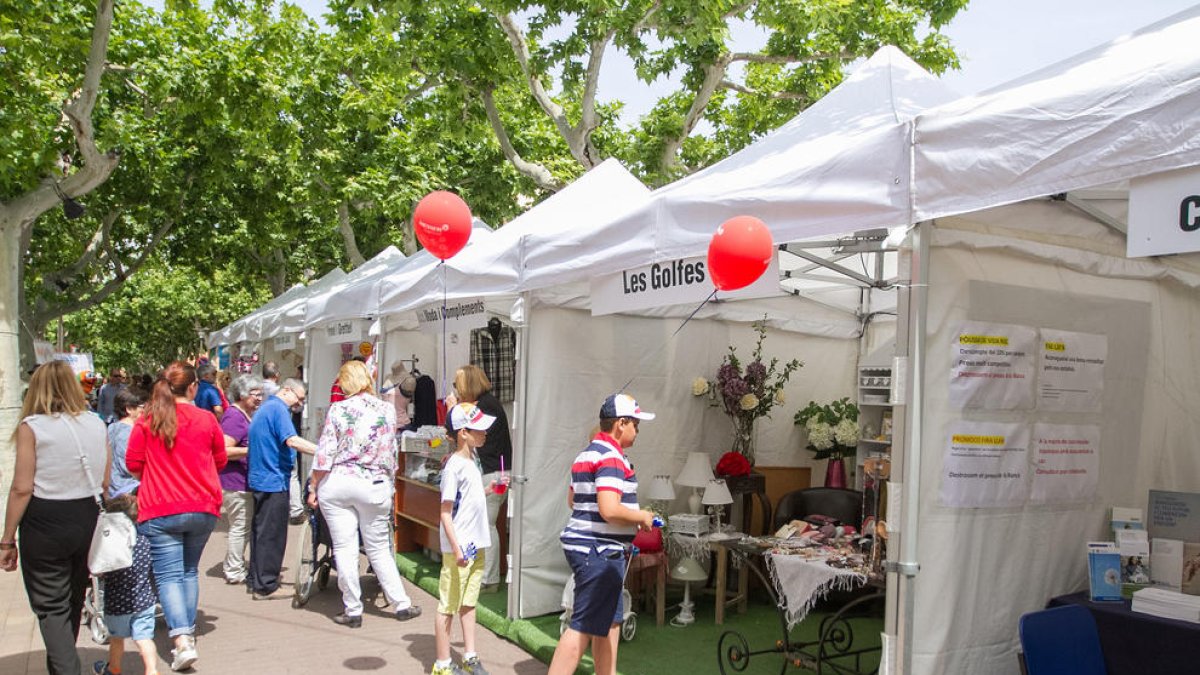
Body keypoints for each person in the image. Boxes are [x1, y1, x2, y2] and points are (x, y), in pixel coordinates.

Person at [0, 360, 109, 675]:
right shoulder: (95, 422)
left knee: (50, 606)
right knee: (73, 599)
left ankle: (65, 669)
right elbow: (103, 482)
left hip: (45, 519)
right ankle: (61, 666)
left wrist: (7, 539)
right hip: (87, 516)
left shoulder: (32, 426)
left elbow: (22, 488)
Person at [125, 361, 227, 672]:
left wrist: (158, 471)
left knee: (169, 575)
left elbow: (133, 463)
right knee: (188, 571)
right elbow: (220, 459)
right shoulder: (206, 419)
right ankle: (187, 632)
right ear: (193, 387)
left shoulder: (148, 421)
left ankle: (181, 639)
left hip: (160, 507)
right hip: (201, 506)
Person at [548, 394, 657, 675]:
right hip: (599, 551)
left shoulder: (587, 453)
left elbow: (573, 501)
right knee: (582, 627)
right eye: (635, 424)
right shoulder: (612, 458)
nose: (637, 430)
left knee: (610, 620)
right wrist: (641, 516)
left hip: (591, 548)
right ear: (621, 424)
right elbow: (609, 509)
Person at [309, 360, 420, 627]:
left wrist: (313, 487)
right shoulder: (386, 410)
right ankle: (401, 603)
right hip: (374, 483)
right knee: (379, 547)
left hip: (339, 482)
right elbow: (390, 452)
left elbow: (325, 454)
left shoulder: (338, 409)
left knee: (344, 547)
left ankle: (353, 609)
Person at [431, 403, 497, 675]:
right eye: (478, 429)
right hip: (460, 547)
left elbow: (467, 500)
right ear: (463, 433)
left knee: (469, 602)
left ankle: (470, 655)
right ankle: (442, 663)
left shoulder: (471, 461)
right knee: (448, 604)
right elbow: (446, 512)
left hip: (474, 543)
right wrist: (457, 549)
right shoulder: (454, 466)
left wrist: (488, 490)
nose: (484, 434)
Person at [247, 378, 316, 598]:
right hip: (273, 479)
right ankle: (265, 585)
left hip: (262, 477)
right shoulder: (278, 410)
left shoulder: (266, 408)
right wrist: (322, 451)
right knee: (272, 534)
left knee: (260, 531)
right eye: (299, 398)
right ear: (287, 390)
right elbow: (292, 441)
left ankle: (257, 578)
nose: (300, 404)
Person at [445, 365, 511, 592]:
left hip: (492, 472)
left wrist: (453, 410)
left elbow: (457, 430)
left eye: (457, 385)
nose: (456, 389)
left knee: (487, 526)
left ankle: (489, 579)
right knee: (485, 525)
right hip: (495, 471)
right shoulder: (488, 403)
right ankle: (483, 575)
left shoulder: (483, 406)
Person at [91, 494, 159, 675]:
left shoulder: (112, 547)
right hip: (145, 601)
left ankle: (113, 669)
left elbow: (98, 570)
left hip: (118, 604)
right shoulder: (144, 541)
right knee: (145, 638)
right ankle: (152, 670)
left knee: (117, 639)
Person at [218, 374, 263, 585]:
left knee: (241, 527)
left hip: (242, 482)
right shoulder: (234, 417)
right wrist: (251, 449)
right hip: (235, 483)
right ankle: (234, 570)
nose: (260, 398)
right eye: (256, 394)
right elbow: (224, 450)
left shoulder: (244, 415)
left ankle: (235, 564)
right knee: (239, 527)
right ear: (243, 394)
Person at [107, 387, 148, 499]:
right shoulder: (128, 434)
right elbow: (131, 468)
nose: (148, 411)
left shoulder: (111, 428)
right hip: (128, 491)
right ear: (129, 409)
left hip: (112, 490)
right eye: (143, 407)